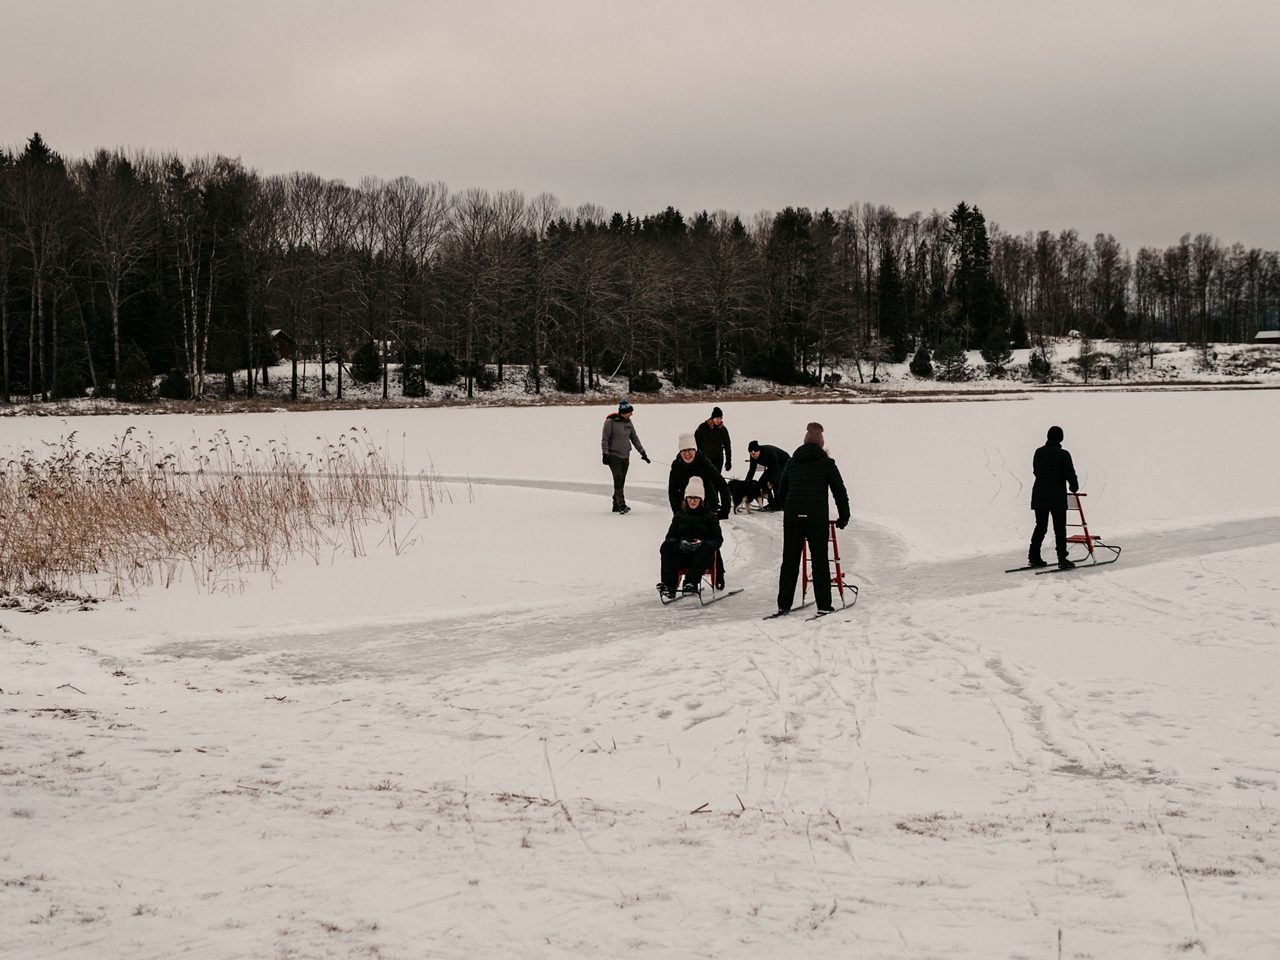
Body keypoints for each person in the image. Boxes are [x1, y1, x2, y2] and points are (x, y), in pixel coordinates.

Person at [775, 422, 850, 615]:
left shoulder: (792, 462)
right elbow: (839, 491)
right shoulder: (827, 463)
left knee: (790, 560)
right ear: (821, 444)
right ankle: (824, 605)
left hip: (793, 518)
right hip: (816, 519)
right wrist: (844, 517)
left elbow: (781, 491)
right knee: (819, 562)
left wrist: (788, 508)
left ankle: (784, 604)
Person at [668, 433, 731, 588]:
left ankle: (719, 574)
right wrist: (678, 512)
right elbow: (672, 492)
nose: (687, 454)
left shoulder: (704, 463)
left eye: (690, 450)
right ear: (680, 453)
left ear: (695, 450)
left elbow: (721, 484)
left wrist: (724, 509)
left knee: (709, 538)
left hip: (707, 503)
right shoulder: (676, 466)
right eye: (684, 451)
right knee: (687, 538)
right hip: (687, 504)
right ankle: (690, 574)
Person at [656, 477, 724, 598]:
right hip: (683, 554)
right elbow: (670, 537)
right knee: (667, 546)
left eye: (695, 498)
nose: (692, 501)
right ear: (686, 499)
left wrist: (702, 543)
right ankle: (669, 585)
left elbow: (718, 539)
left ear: (701, 499)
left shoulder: (710, 516)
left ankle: (691, 582)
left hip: (701, 557)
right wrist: (680, 542)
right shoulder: (679, 516)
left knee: (707, 547)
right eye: (690, 498)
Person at [1028, 425, 1079, 570]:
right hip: (1057, 496)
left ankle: (1034, 556)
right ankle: (1062, 558)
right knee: (1060, 528)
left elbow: (1036, 471)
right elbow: (1070, 473)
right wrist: (1074, 486)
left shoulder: (1038, 452)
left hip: (1039, 495)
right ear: (1061, 438)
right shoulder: (1063, 454)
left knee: (1041, 527)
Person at [601, 398, 650, 514]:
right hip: (613, 456)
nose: (632, 414)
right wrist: (605, 454)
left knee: (621, 480)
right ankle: (622, 505)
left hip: (625, 456)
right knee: (618, 478)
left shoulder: (629, 423)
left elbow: (634, 438)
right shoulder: (610, 422)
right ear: (624, 412)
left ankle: (615, 504)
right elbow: (605, 439)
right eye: (630, 412)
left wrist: (642, 453)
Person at [745, 440, 790, 509]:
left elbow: (776, 470)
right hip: (773, 466)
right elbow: (751, 470)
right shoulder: (753, 456)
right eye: (750, 454)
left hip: (784, 463)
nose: (752, 456)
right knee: (762, 482)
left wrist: (771, 482)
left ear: (758, 450)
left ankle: (778, 504)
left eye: (753, 454)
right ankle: (772, 503)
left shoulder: (769, 452)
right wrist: (746, 483)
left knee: (776, 482)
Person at [694, 406, 732, 473]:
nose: (718, 420)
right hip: (705, 459)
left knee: (716, 480)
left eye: (720, 418)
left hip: (718, 460)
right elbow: (695, 442)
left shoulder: (723, 430)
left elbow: (727, 445)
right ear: (712, 418)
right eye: (717, 418)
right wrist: (697, 457)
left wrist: (728, 461)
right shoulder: (703, 427)